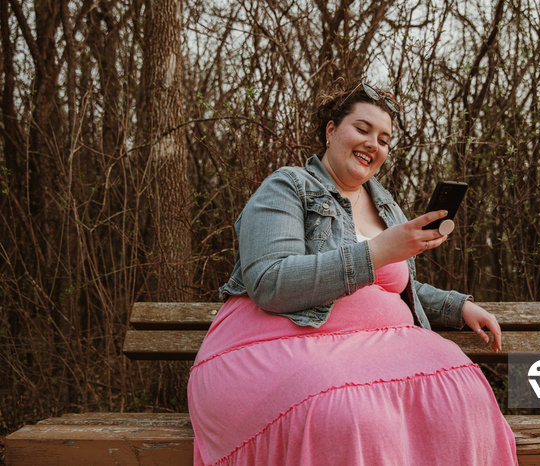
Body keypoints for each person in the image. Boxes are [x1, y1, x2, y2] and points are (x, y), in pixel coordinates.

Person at [187, 81, 518, 465]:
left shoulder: (387, 206)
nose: (373, 144)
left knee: (463, 394)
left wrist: (456, 307)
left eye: (384, 138)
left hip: (377, 351)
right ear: (330, 130)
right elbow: (269, 282)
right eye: (362, 129)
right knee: (351, 413)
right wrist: (376, 252)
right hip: (281, 346)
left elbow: (390, 286)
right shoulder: (289, 185)